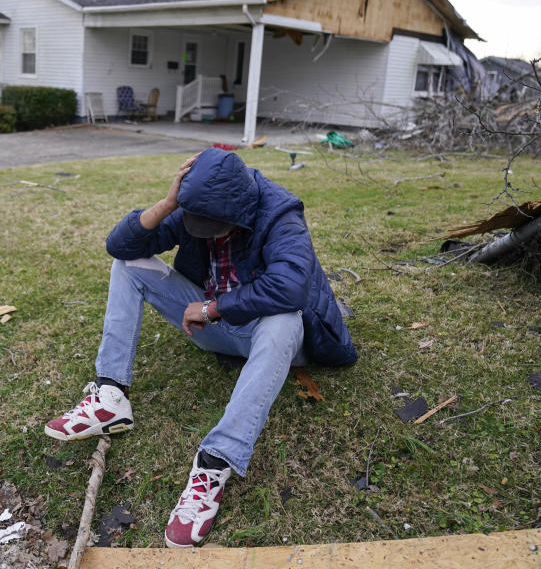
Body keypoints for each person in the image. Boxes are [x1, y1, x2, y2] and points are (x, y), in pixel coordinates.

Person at [44, 147, 357, 548]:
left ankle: (214, 464)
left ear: (238, 211)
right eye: (196, 222)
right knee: (130, 265)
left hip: (274, 339)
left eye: (214, 226)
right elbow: (119, 246)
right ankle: (110, 395)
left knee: (284, 318)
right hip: (220, 327)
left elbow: (290, 287)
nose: (204, 231)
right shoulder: (194, 205)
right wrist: (169, 202)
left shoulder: (280, 211)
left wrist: (212, 308)